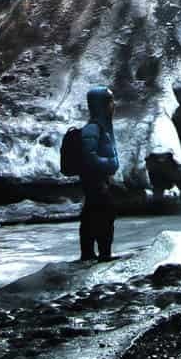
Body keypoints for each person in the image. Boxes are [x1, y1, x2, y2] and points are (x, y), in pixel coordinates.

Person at [77, 86, 119, 261]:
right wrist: (109, 164)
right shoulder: (92, 129)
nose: (113, 105)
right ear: (100, 105)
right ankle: (102, 254)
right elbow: (89, 157)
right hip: (95, 181)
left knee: (92, 215)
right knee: (104, 216)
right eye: (110, 101)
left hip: (98, 181)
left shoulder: (100, 127)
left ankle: (91, 254)